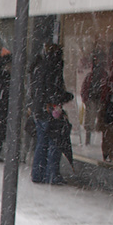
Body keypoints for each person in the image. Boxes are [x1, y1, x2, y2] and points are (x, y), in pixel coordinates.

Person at [28, 43, 71, 184]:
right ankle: (52, 175)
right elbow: (53, 91)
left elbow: (37, 90)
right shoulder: (54, 67)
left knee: (41, 143)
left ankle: (38, 174)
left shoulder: (38, 66)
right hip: (50, 110)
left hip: (39, 110)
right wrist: (66, 97)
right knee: (54, 143)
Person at [80, 44, 107, 145]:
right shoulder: (93, 75)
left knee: (95, 120)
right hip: (93, 98)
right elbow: (85, 87)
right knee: (90, 120)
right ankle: (88, 140)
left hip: (97, 98)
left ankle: (90, 139)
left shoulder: (100, 74)